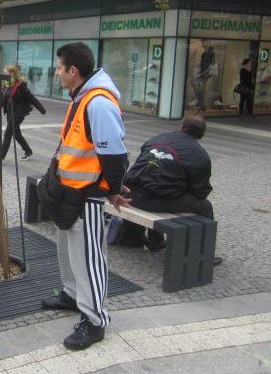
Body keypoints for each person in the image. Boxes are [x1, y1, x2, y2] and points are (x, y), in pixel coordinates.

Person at [41, 42, 130, 351]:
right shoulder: (81, 97)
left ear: (73, 71)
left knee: (89, 256)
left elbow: (115, 155)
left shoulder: (98, 102)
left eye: (59, 67)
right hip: (70, 192)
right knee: (68, 249)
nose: (56, 72)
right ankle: (72, 294)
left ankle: (94, 320)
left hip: (86, 195)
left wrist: (114, 190)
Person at [120, 115, 221, 265]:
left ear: (181, 126)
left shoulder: (157, 138)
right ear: (201, 134)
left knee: (159, 188)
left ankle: (142, 238)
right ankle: (202, 253)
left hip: (129, 193)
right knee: (205, 206)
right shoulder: (200, 155)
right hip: (153, 201)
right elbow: (200, 192)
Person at [0, 64, 46, 161]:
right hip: (10, 112)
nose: (4, 74)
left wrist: (42, 110)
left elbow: (31, 98)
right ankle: (28, 151)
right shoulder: (6, 85)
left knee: (8, 133)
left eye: (6, 73)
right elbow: (2, 99)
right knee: (16, 134)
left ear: (12, 73)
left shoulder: (20, 86)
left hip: (18, 113)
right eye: (4, 73)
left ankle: (0, 157)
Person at [189, 40, 215, 110]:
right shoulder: (203, 53)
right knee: (194, 83)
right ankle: (199, 101)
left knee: (200, 86)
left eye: (204, 43)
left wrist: (206, 72)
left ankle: (200, 102)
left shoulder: (211, 53)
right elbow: (200, 62)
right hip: (201, 73)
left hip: (205, 74)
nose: (203, 44)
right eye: (202, 43)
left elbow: (212, 64)